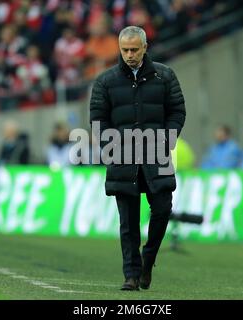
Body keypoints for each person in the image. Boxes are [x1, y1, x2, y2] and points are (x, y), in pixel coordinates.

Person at [89, 26, 186, 291]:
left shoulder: (165, 76)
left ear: (145, 47)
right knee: (128, 222)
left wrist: (167, 139)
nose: (130, 54)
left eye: (134, 49)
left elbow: (177, 111)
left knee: (163, 209)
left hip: (157, 155)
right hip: (123, 158)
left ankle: (148, 258)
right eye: (125, 50)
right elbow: (98, 120)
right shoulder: (105, 81)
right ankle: (131, 275)